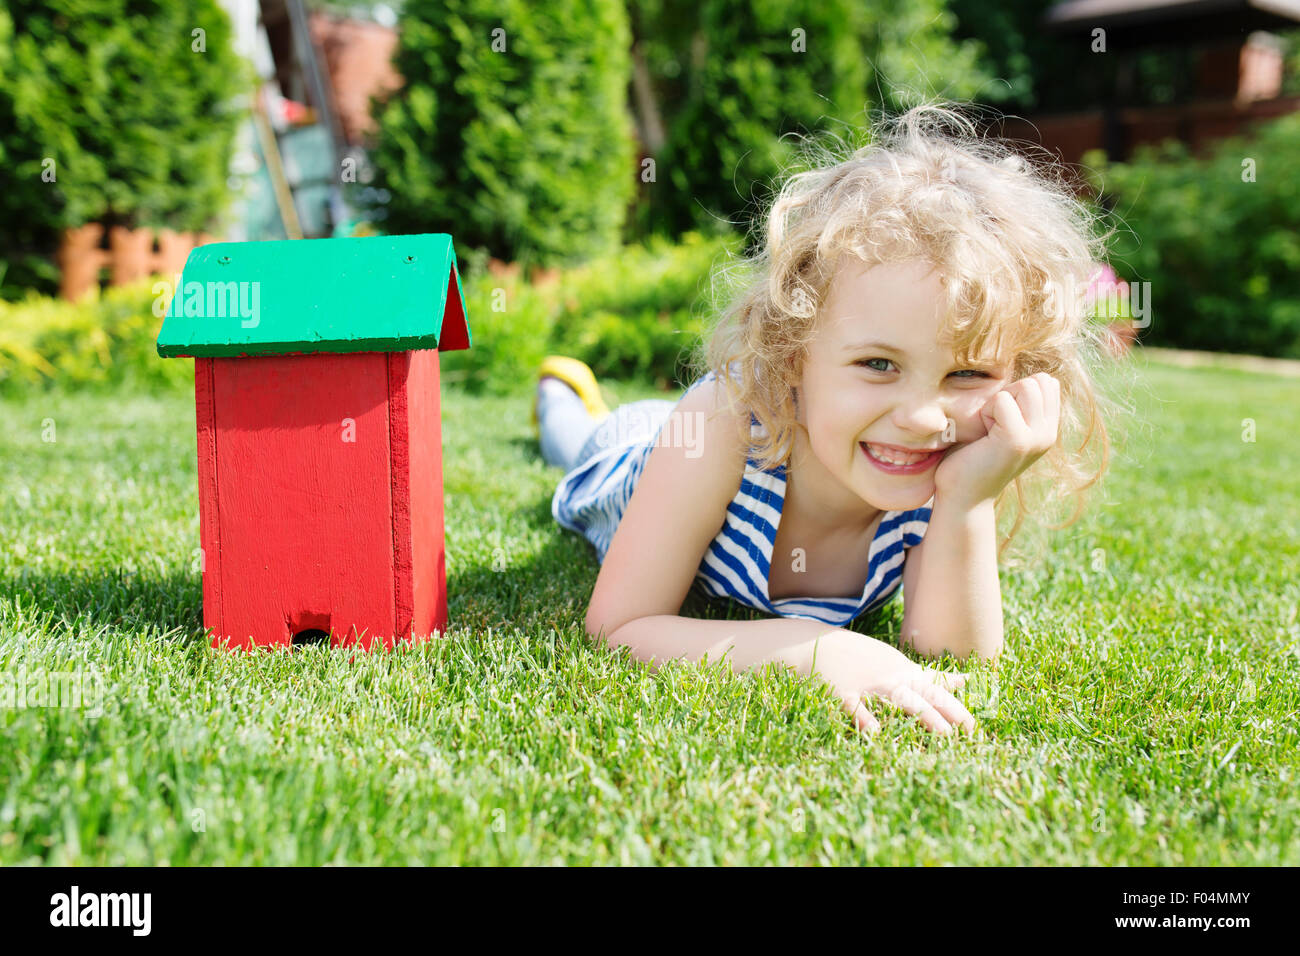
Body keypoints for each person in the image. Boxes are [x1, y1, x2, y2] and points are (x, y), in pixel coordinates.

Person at [533, 103, 1119, 740]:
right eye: (877, 363)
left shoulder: (948, 465)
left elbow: (949, 660)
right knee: (579, 438)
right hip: (640, 457)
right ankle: (560, 394)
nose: (924, 418)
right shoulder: (722, 421)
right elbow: (619, 628)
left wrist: (967, 501)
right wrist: (811, 650)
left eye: (968, 375)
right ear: (791, 355)